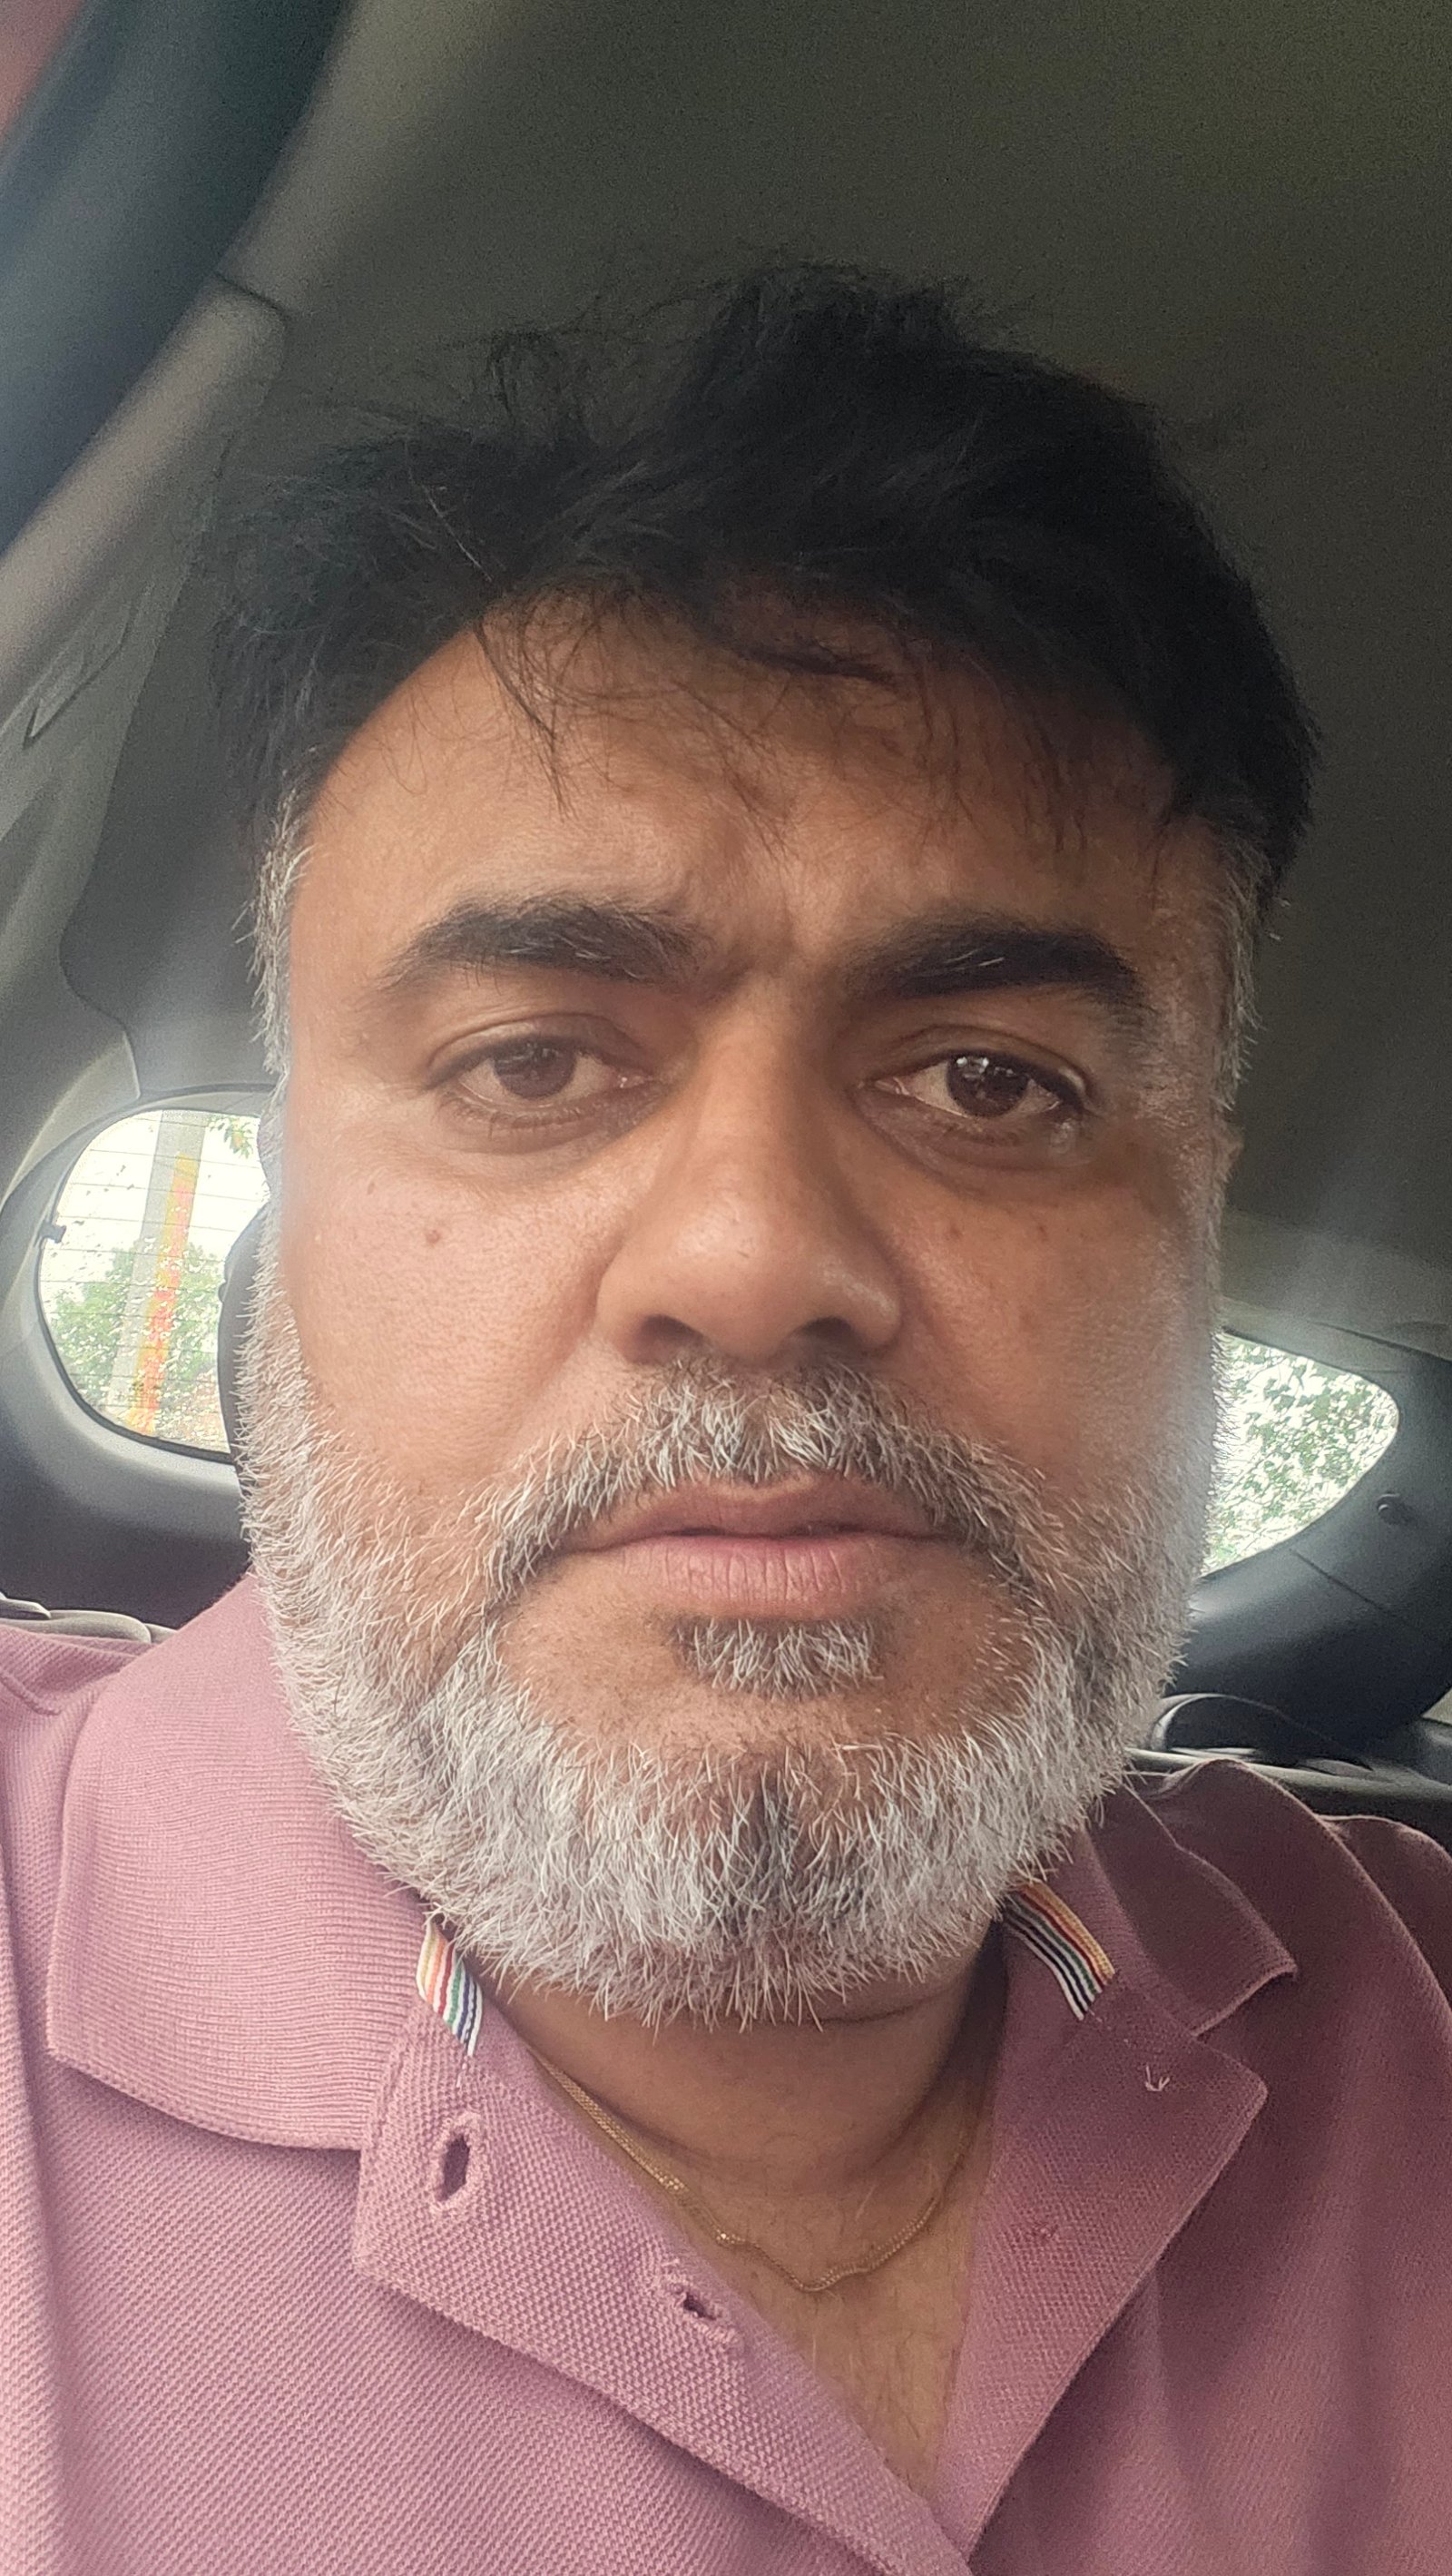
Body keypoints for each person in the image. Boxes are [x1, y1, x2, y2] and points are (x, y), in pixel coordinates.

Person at [4, 264, 1449, 2576]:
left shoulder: (1415, 2023)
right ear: (289, 1218)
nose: (755, 1254)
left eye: (989, 1082)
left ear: (1195, 1214)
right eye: (530, 1061)